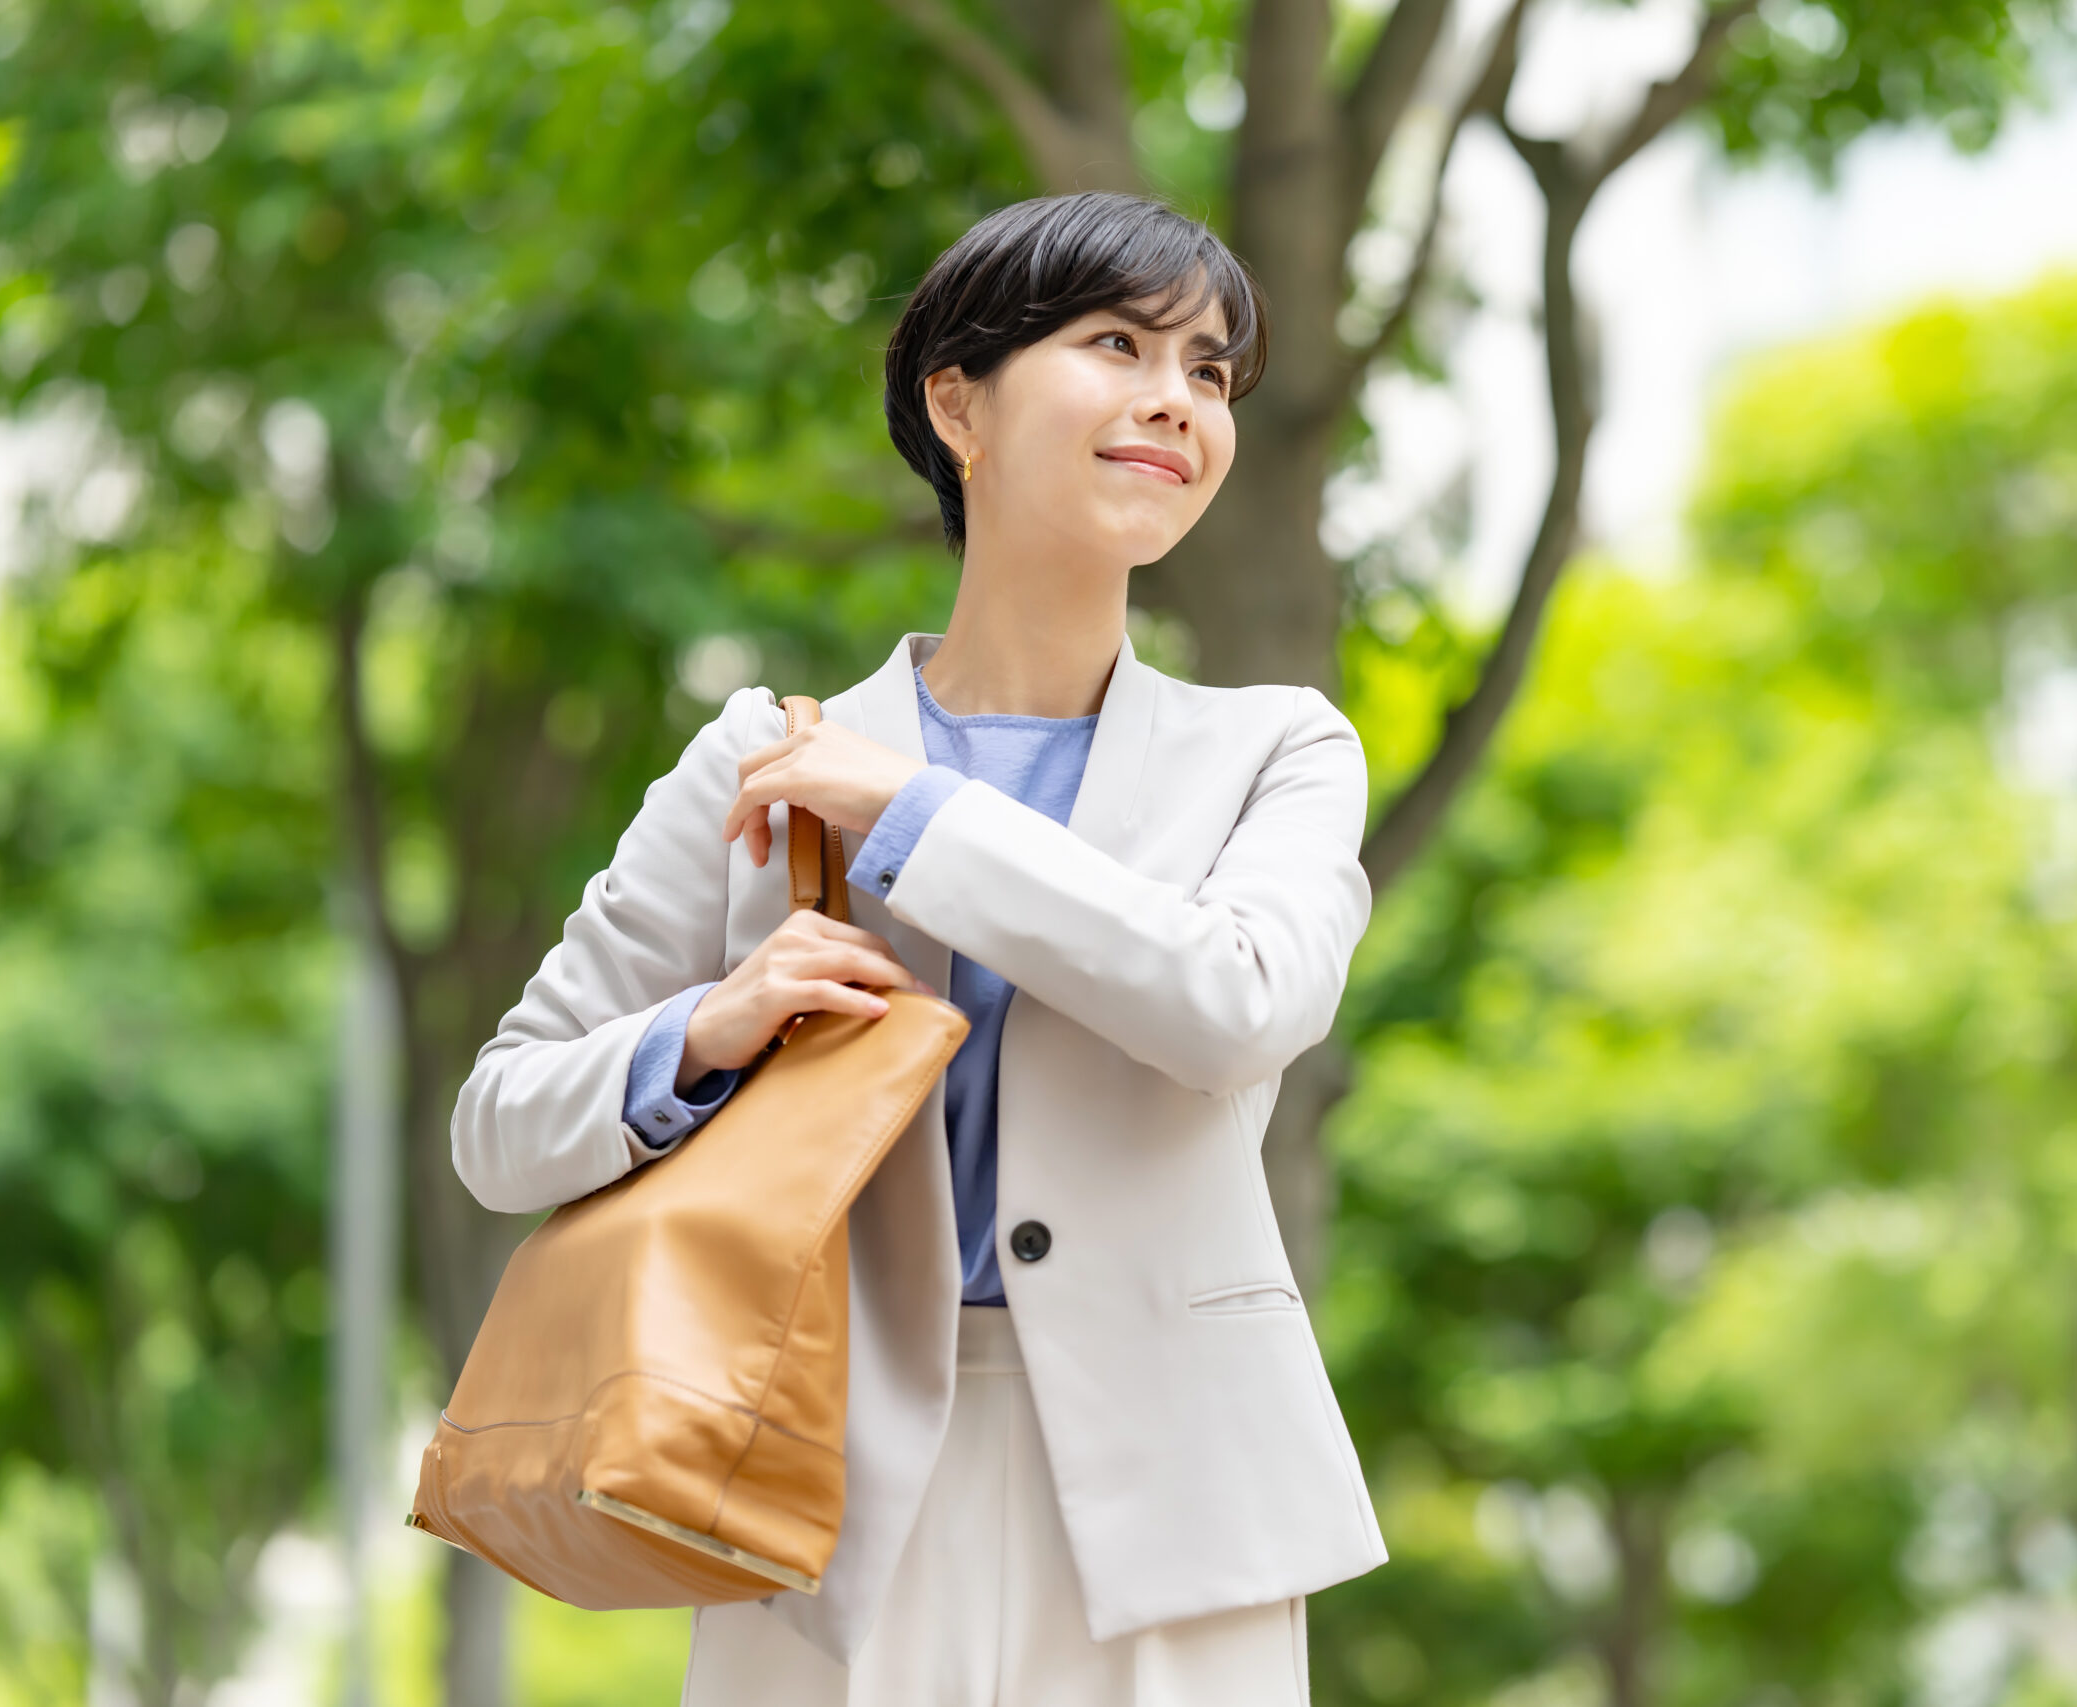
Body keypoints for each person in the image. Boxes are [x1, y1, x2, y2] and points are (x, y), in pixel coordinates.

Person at [449, 192, 1384, 1704]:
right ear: (959, 404)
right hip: (812, 1475)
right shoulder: (759, 759)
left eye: (1209, 371)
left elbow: (1235, 1005)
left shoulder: (1277, 749)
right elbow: (499, 1126)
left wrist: (914, 817)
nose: (1176, 397)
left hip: (1179, 1506)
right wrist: (704, 1032)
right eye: (1117, 343)